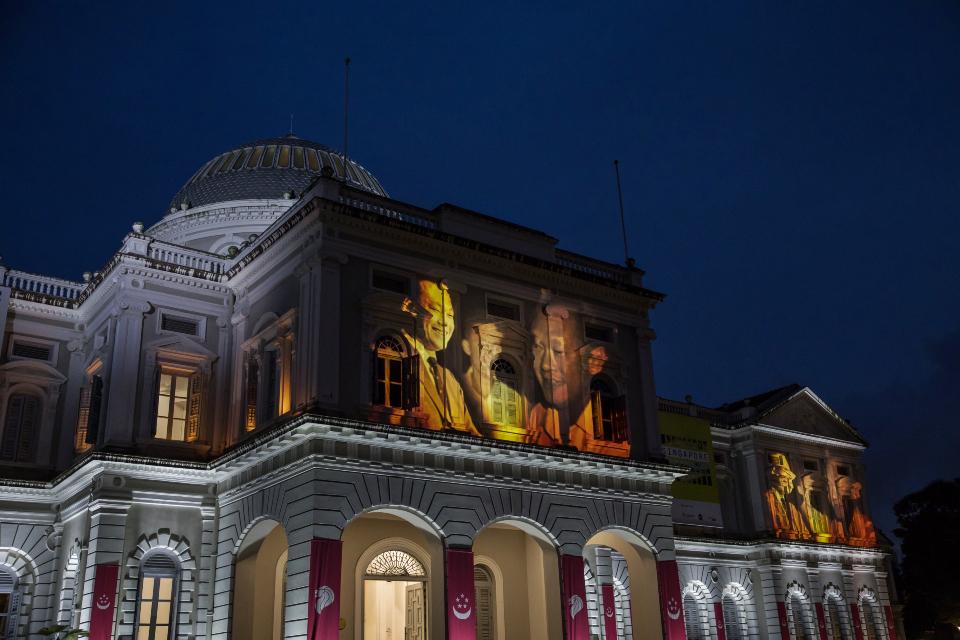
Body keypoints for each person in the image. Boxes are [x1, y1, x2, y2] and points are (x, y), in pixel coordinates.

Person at [402, 279, 480, 436]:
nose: (445, 322)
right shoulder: (394, 357)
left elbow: (471, 433)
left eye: (450, 314)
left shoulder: (450, 381)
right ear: (410, 308)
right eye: (435, 309)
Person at [764, 453, 811, 540]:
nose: (783, 480)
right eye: (779, 477)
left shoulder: (790, 501)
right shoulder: (769, 497)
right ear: (772, 480)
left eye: (786, 479)